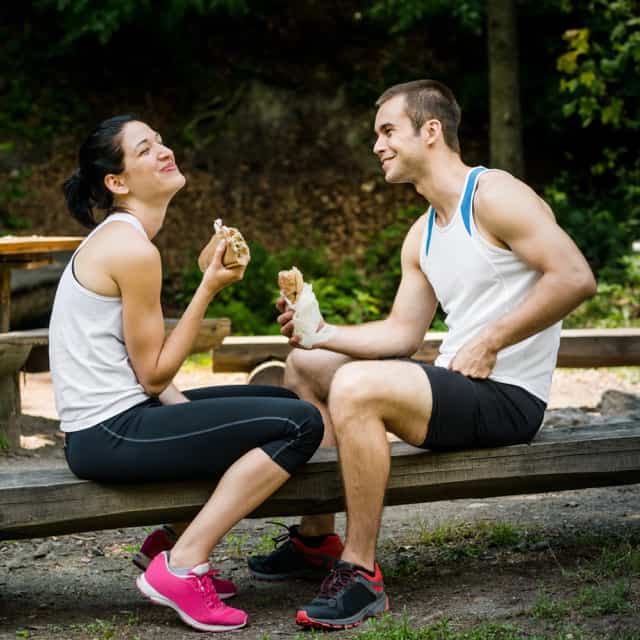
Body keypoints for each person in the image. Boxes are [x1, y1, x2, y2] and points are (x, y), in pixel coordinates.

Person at [248, 79, 597, 629]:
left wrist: (492, 339)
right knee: (307, 367)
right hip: (458, 384)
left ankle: (361, 573)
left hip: (509, 398)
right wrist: (320, 332)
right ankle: (316, 537)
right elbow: (402, 334)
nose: (377, 146)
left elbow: (576, 278)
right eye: (376, 135)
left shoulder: (494, 195)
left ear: (431, 131)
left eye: (388, 131)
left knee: (357, 387)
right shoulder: (423, 233)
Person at [51, 115, 324, 632]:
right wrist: (208, 287)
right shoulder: (132, 249)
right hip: (107, 433)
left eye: (161, 139)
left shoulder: (123, 239)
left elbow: (135, 367)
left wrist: (190, 414)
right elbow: (152, 375)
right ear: (118, 181)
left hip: (113, 422)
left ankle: (169, 538)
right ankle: (180, 565)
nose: (163, 149)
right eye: (145, 147)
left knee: (287, 405)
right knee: (301, 426)